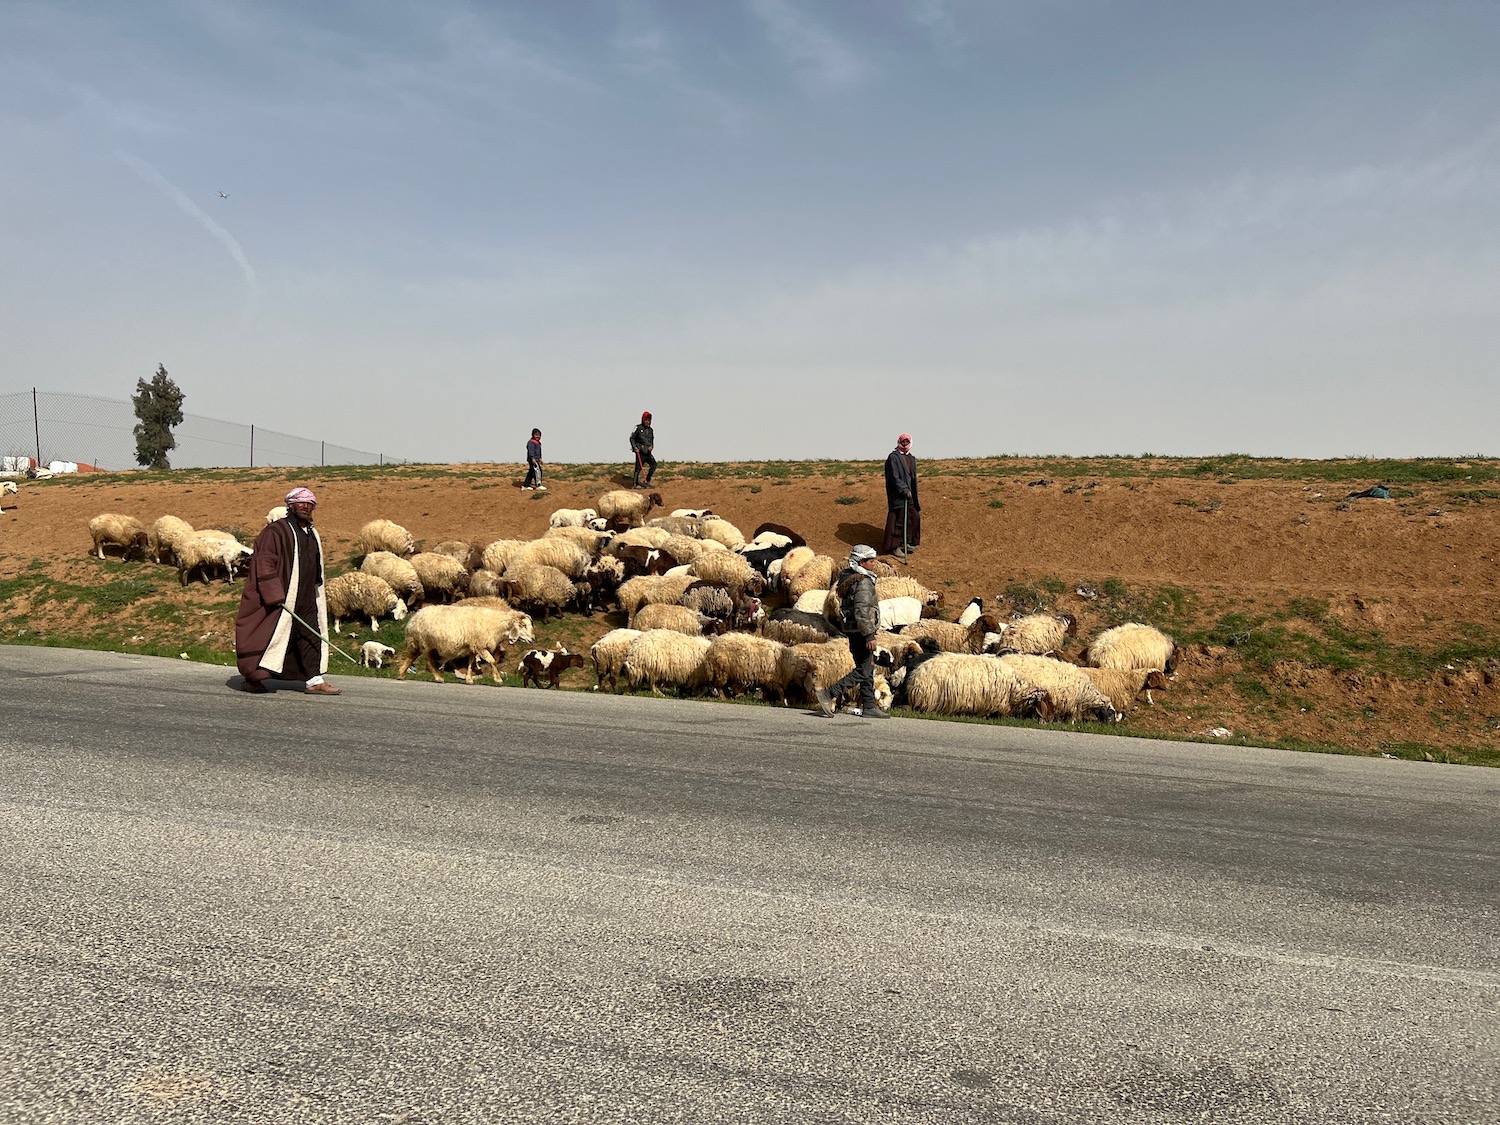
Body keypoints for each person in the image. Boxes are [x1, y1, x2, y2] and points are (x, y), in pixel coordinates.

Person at [234, 487, 340, 695]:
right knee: (266, 635)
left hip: (307, 596)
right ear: (290, 505)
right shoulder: (276, 531)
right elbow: (264, 562)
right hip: (281, 596)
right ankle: (253, 678)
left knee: (310, 635)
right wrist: (274, 594)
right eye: (301, 502)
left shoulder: (311, 532)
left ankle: (314, 680)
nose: (306, 506)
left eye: (310, 503)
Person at [815, 544, 891, 718]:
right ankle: (828, 694)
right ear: (862, 562)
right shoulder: (863, 582)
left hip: (852, 629)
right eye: (871, 561)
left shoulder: (850, 578)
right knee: (864, 670)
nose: (875, 564)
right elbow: (862, 610)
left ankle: (870, 706)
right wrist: (869, 635)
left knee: (866, 667)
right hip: (861, 631)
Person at [882, 433, 920, 558]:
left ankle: (907, 541)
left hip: (910, 497)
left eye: (907, 442)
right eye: (902, 442)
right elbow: (894, 476)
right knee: (898, 520)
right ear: (899, 442)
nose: (904, 444)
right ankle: (895, 546)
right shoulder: (893, 457)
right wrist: (903, 489)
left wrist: (911, 492)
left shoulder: (911, 458)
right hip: (898, 496)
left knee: (913, 516)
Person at [630, 410, 656, 489]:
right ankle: (635, 484)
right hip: (640, 451)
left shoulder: (651, 430)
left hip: (648, 452)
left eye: (649, 420)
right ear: (643, 419)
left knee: (654, 465)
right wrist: (634, 447)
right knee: (638, 468)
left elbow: (652, 439)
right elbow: (632, 438)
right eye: (646, 420)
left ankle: (647, 481)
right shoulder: (637, 428)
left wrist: (651, 446)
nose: (647, 422)